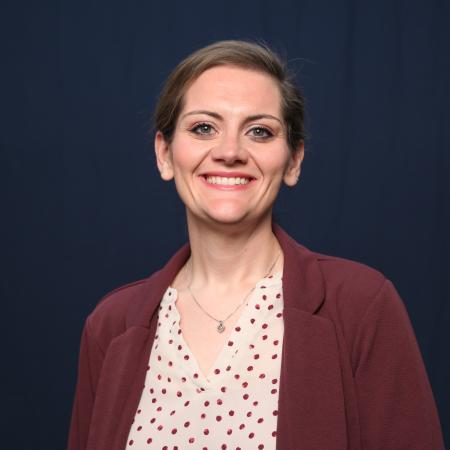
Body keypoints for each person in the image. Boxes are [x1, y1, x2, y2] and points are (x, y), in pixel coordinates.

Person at [67, 40, 445, 450]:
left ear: (293, 161)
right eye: (203, 128)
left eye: (259, 131)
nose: (230, 152)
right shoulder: (110, 326)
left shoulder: (361, 306)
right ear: (165, 154)